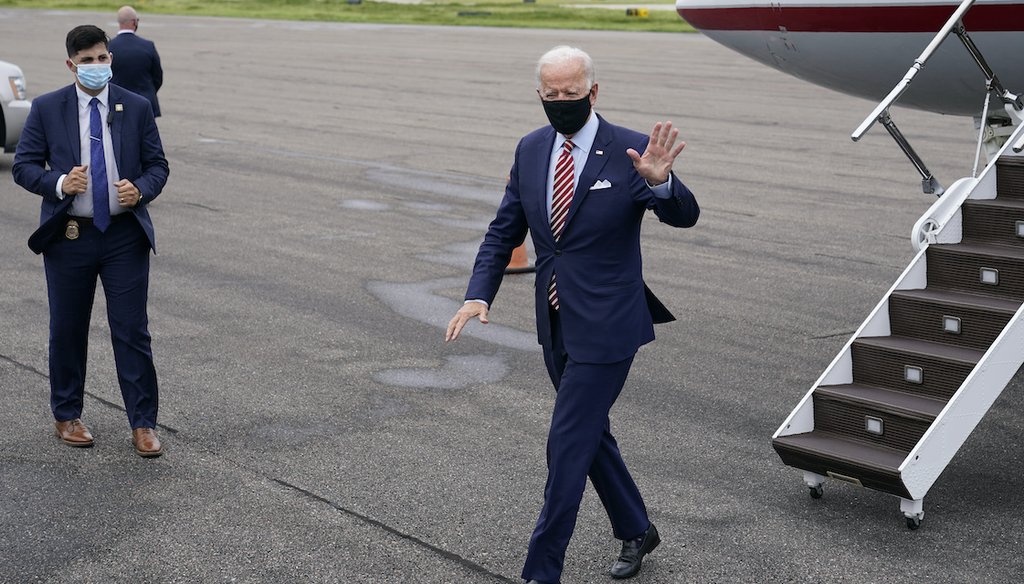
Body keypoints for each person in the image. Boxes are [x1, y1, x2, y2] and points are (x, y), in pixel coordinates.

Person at [445, 46, 700, 584]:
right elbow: (503, 230)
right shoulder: (532, 148)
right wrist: (478, 294)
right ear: (540, 95)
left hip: (610, 323)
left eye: (572, 94)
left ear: (594, 92)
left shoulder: (632, 149)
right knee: (588, 434)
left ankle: (542, 570)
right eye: (552, 95)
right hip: (556, 318)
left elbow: (685, 216)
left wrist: (660, 183)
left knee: (566, 444)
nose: (562, 102)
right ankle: (636, 527)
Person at [12, 25, 170, 457]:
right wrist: (61, 182)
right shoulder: (47, 108)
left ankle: (143, 424)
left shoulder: (135, 106)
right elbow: (23, 166)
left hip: (123, 237)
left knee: (132, 330)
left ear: (111, 59)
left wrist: (140, 189)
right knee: (67, 328)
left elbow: (158, 166)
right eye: (87, 61)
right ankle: (67, 414)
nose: (97, 67)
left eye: (103, 58)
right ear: (71, 65)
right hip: (70, 237)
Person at [108, 6, 163, 117]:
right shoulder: (148, 46)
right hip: (145, 101)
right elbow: (157, 77)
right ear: (134, 22)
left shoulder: (109, 46)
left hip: (117, 102)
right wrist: (149, 91)